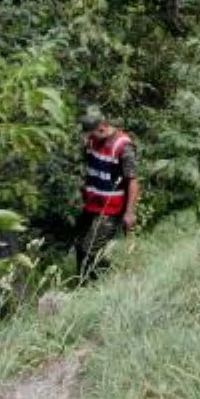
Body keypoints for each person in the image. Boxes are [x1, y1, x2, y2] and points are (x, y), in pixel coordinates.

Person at [75, 113, 139, 280]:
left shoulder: (123, 146)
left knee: (90, 249)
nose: (88, 139)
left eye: (91, 134)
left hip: (111, 208)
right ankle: (83, 282)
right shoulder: (92, 140)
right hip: (91, 203)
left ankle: (98, 284)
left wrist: (129, 213)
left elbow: (133, 181)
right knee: (79, 244)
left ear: (102, 128)